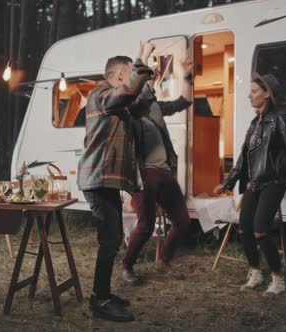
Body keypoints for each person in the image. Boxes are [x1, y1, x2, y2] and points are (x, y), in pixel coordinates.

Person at [213, 73, 286, 295]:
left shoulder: (280, 119)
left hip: (274, 181)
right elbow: (242, 158)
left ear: (267, 94)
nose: (249, 96)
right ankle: (256, 272)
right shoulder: (254, 122)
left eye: (255, 91)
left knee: (260, 230)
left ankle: (278, 279)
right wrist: (227, 182)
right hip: (254, 182)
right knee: (244, 228)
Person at [77, 43, 154, 322]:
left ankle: (103, 293)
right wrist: (141, 60)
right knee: (109, 241)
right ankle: (99, 300)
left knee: (111, 240)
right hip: (97, 181)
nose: (133, 75)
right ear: (122, 74)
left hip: (105, 182)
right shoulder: (100, 94)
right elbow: (128, 93)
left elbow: (141, 107)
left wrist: (151, 80)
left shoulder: (119, 104)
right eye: (131, 72)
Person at [120, 55, 194, 285]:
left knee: (182, 221)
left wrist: (187, 74)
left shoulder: (155, 107)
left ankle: (163, 261)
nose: (150, 84)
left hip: (164, 171)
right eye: (146, 81)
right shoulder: (129, 110)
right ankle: (127, 266)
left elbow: (184, 101)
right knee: (146, 225)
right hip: (145, 175)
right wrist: (142, 54)